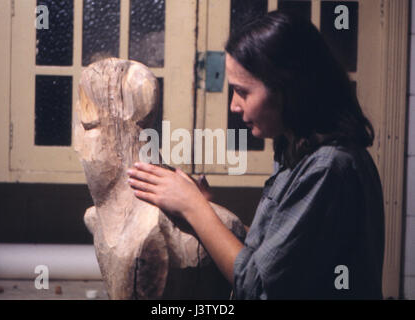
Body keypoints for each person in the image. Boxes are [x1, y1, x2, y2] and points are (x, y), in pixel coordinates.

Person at [126, 11, 385, 299]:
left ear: (287, 89)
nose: (234, 106)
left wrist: (194, 209)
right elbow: (278, 253)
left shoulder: (328, 167)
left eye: (242, 92)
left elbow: (259, 287)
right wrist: (211, 213)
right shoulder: (294, 148)